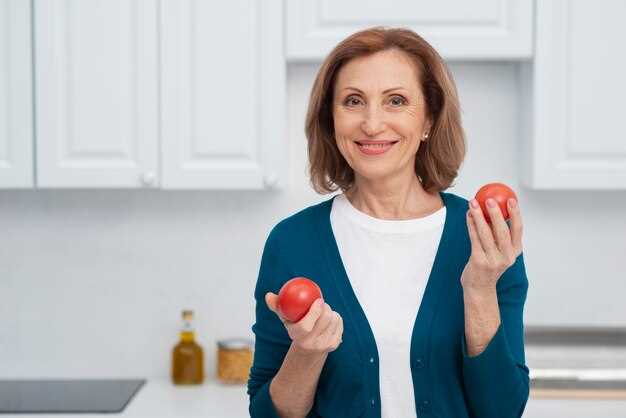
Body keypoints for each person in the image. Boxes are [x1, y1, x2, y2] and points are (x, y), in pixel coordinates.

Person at [247, 26, 529, 418]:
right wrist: (307, 352)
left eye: (396, 101)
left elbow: (502, 410)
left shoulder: (481, 238)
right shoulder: (293, 242)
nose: (372, 123)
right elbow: (267, 413)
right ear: (331, 120)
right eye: (353, 101)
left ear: (429, 120)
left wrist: (480, 287)